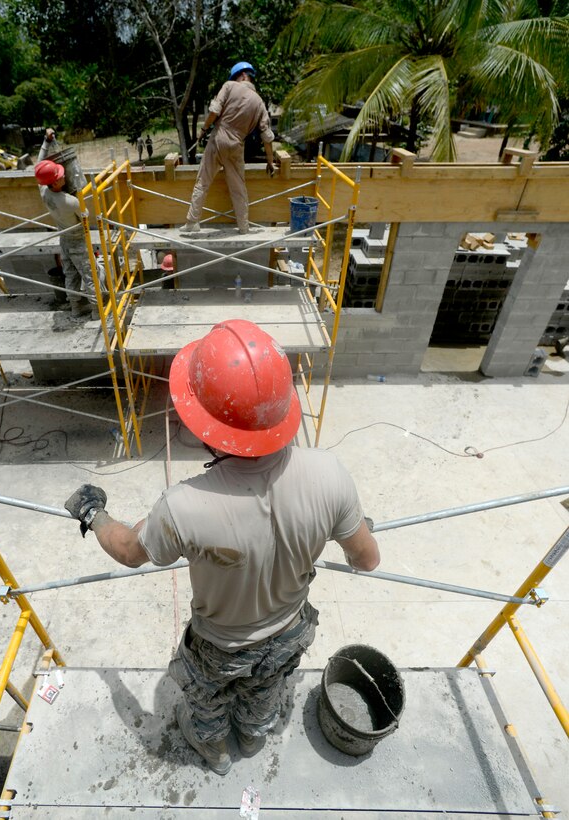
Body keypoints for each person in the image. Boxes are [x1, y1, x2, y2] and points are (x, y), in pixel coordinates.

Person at [64, 319, 380, 777]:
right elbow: (366, 558)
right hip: (289, 629)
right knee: (264, 690)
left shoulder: (184, 506)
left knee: (207, 702)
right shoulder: (331, 475)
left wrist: (94, 514)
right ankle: (252, 737)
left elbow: (131, 550)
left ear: (205, 425)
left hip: (220, 646)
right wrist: (348, 524)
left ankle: (214, 751)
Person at [184, 62, 276, 235]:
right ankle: (243, 227)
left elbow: (214, 111)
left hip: (218, 137)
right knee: (238, 189)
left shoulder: (229, 86)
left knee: (203, 181)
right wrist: (270, 162)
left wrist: (203, 130)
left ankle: (192, 221)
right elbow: (267, 137)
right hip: (236, 145)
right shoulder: (259, 103)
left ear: (241, 75)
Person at [34, 128, 100, 319]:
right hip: (78, 240)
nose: (64, 176)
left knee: (70, 274)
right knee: (90, 276)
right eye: (60, 175)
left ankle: (76, 308)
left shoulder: (44, 192)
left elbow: (39, 165)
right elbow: (85, 217)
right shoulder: (71, 202)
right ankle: (97, 313)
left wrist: (46, 142)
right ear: (54, 183)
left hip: (64, 239)